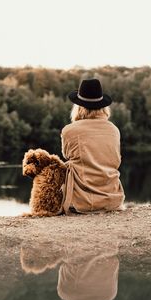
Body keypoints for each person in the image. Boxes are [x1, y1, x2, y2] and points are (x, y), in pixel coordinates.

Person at [61, 78, 125, 214]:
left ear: (78, 107)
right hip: (112, 200)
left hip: (81, 201)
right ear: (103, 107)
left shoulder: (69, 130)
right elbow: (116, 159)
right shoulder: (114, 130)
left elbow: (67, 156)